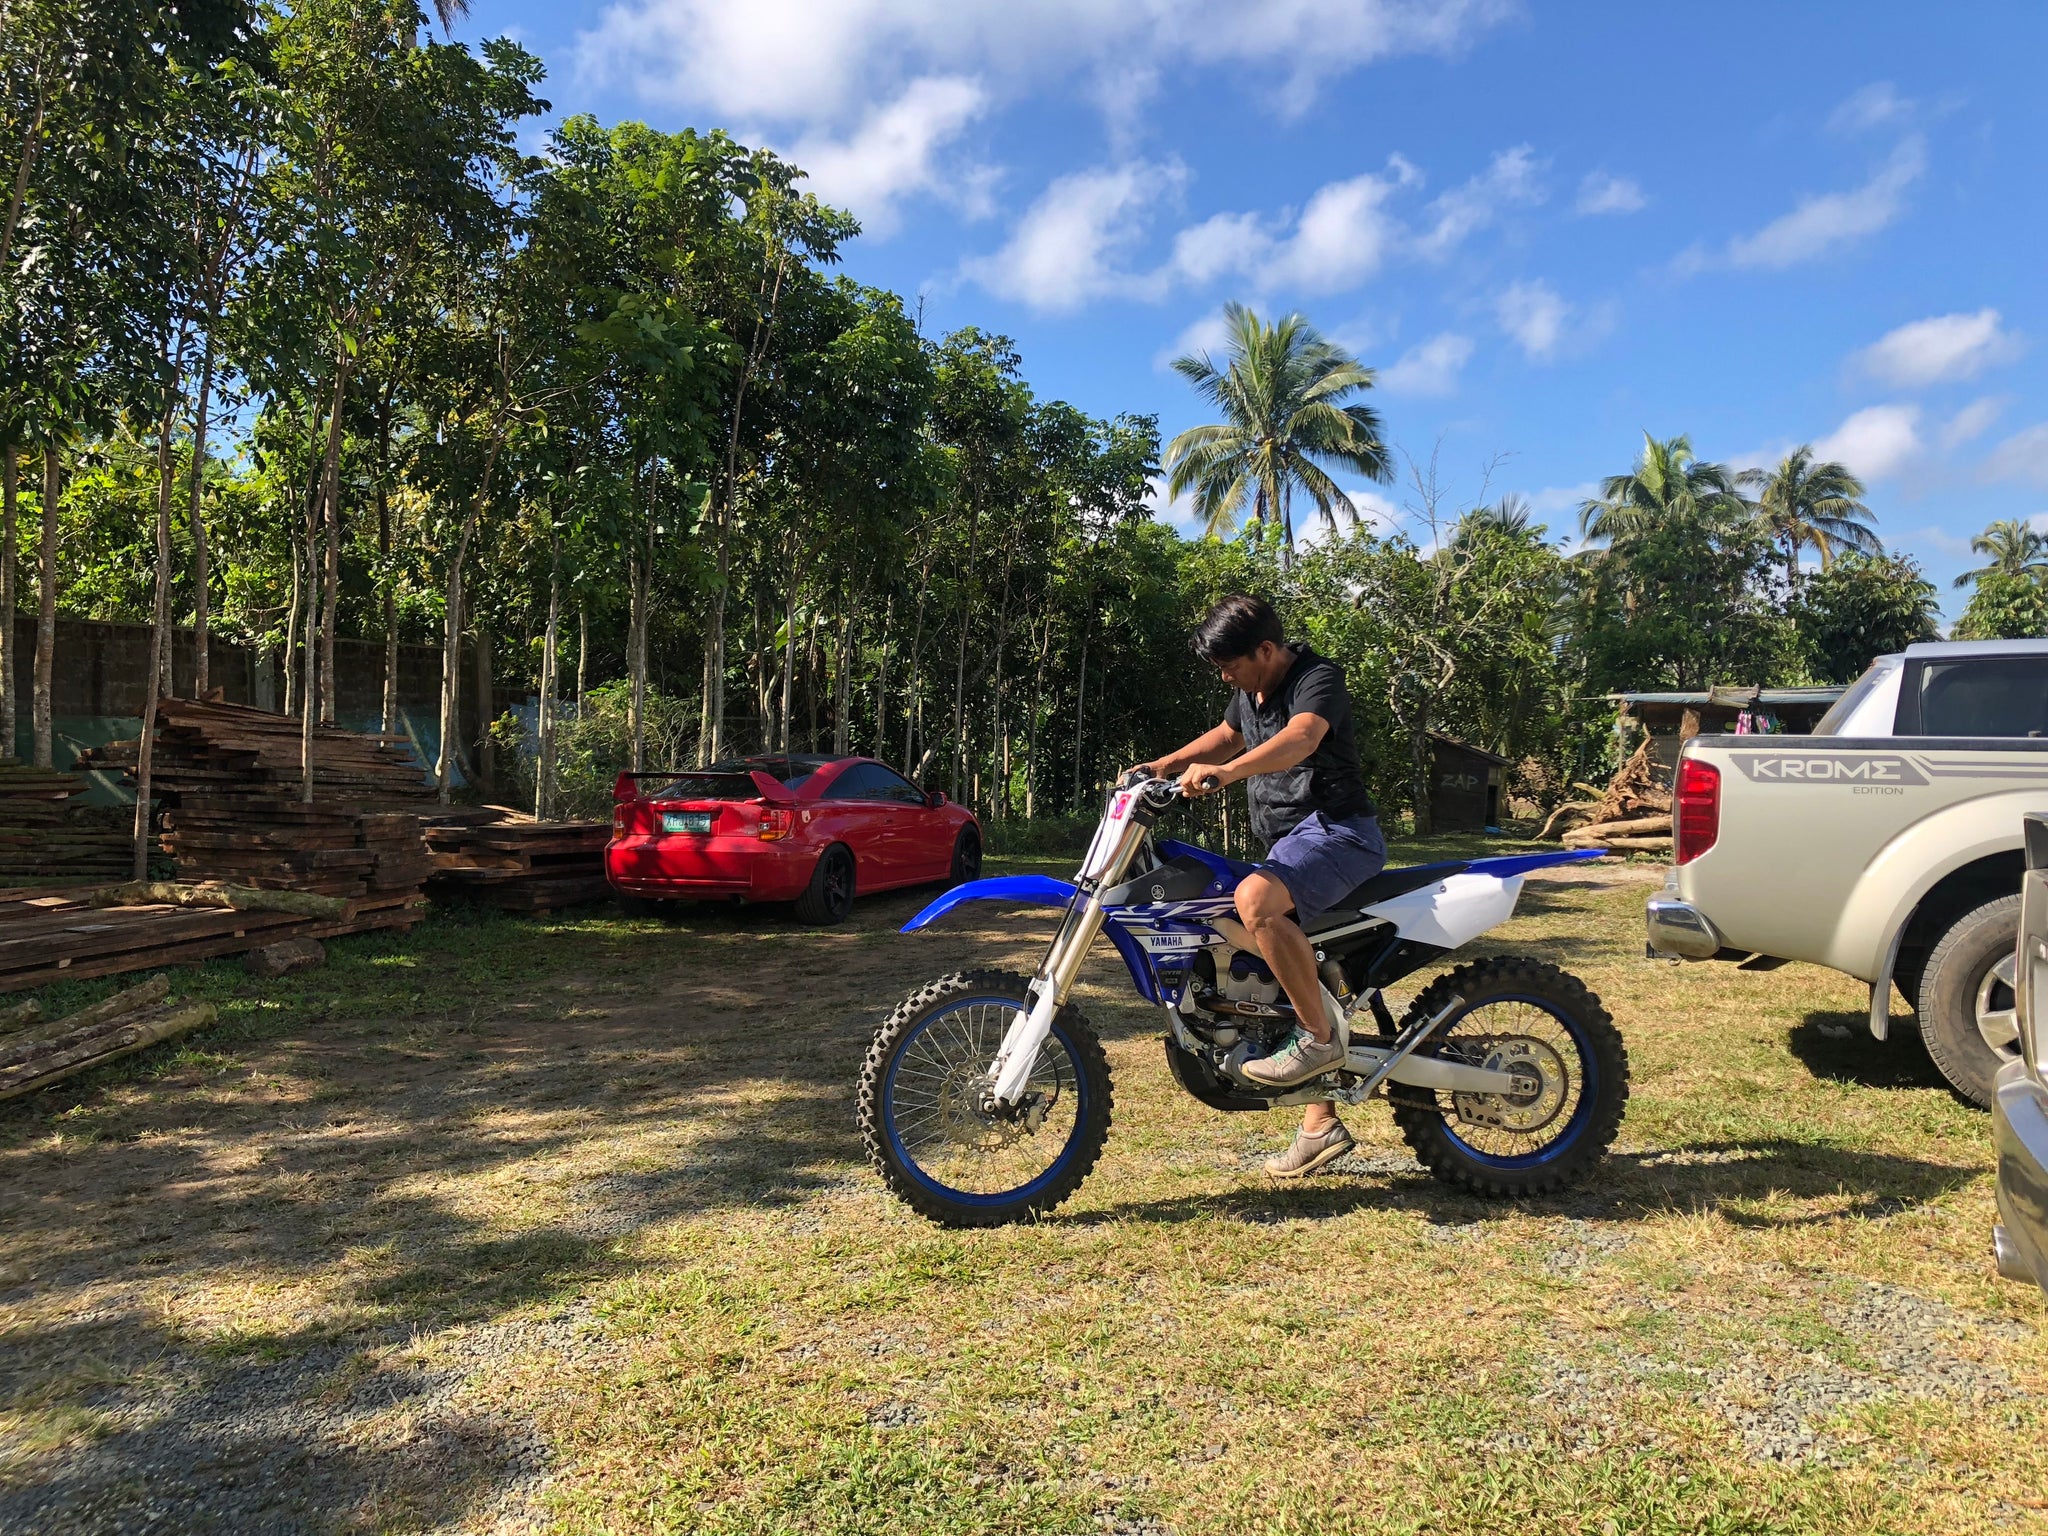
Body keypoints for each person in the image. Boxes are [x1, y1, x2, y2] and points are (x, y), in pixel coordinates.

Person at [1130, 594, 1386, 1178]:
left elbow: (1300, 740)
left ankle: (1320, 1040)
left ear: (1265, 650)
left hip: (1340, 833)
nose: (1225, 676)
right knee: (1261, 950)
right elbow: (1227, 735)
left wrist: (1228, 773)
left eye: (1231, 666)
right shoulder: (1252, 690)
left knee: (1254, 902)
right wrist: (1161, 765)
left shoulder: (1316, 679)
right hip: (1291, 845)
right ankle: (1320, 1124)